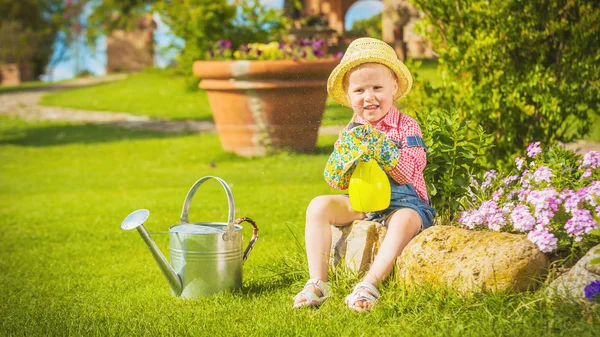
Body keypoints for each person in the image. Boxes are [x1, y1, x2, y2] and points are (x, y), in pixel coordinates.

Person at [292, 37, 436, 312]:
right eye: (359, 90)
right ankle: (318, 283)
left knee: (405, 219)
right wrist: (344, 159)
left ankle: (370, 284)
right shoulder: (350, 132)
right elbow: (337, 181)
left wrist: (379, 145)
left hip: (404, 203)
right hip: (363, 202)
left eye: (377, 88)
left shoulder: (406, 126)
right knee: (319, 206)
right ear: (348, 95)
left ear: (394, 86)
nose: (368, 97)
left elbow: (409, 172)